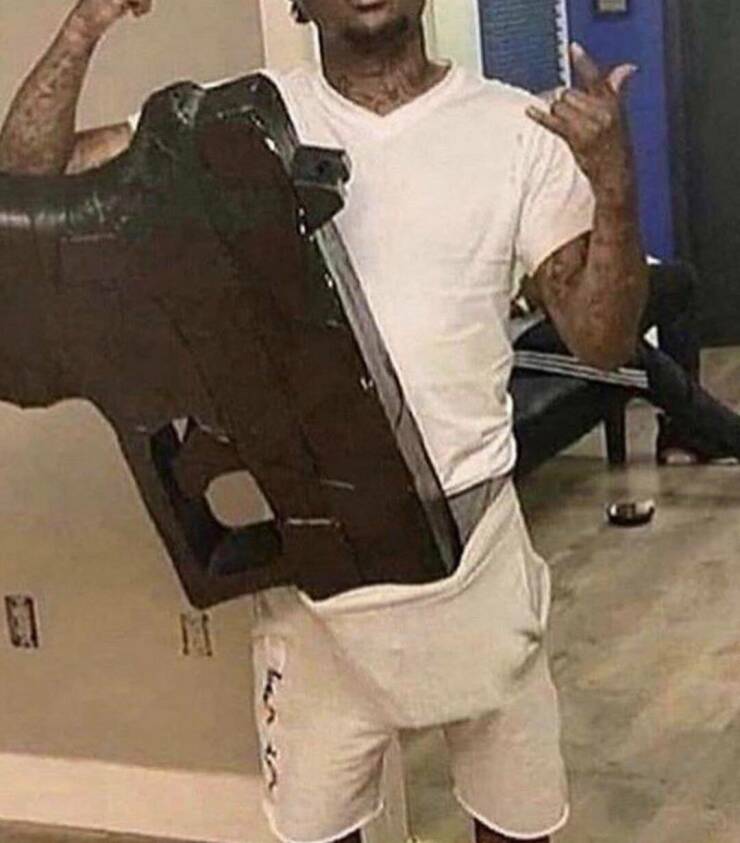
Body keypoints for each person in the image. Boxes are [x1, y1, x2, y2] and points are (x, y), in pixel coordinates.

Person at [0, 1, 648, 841]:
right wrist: (84, 27)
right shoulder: (222, 129)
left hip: (474, 548)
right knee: (317, 829)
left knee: (518, 827)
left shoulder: (516, 130)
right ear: (298, 3)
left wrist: (615, 186)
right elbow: (27, 185)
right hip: (314, 562)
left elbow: (603, 340)